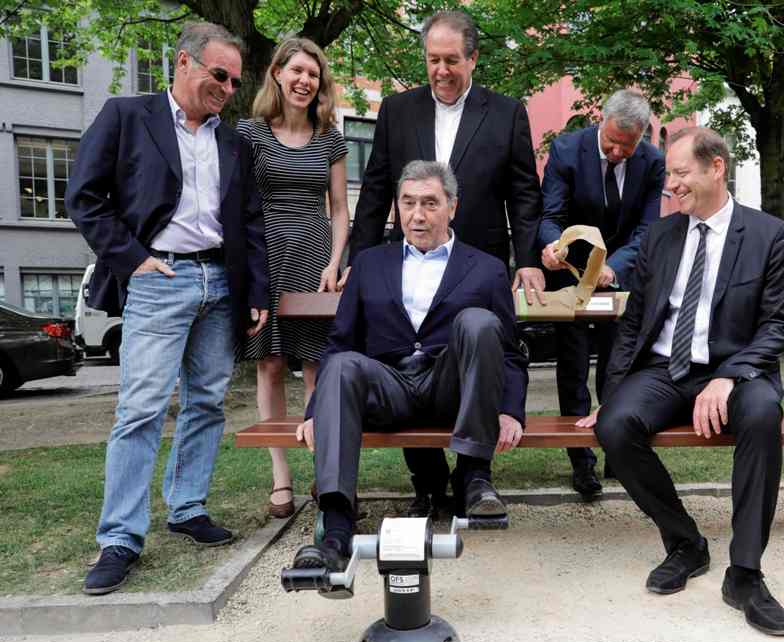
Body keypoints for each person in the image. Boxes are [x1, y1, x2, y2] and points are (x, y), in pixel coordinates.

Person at [67, 22, 269, 595]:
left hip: (221, 282)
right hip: (160, 277)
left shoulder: (235, 142)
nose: (228, 88)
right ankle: (120, 539)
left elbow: (249, 222)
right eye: (219, 75)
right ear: (184, 63)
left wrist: (255, 291)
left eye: (234, 80)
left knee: (207, 401)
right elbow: (84, 197)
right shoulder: (127, 116)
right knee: (141, 409)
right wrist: (133, 259)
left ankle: (187, 508)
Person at [579, 128, 784, 636]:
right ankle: (685, 543)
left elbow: (778, 325)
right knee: (613, 426)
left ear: (715, 167)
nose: (670, 186)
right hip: (664, 370)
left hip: (737, 370)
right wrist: (609, 396)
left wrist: (729, 375)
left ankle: (745, 573)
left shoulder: (769, 235)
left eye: (680, 173)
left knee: (764, 415)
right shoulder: (660, 235)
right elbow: (633, 324)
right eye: (669, 175)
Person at [345, 10, 544, 518]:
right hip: (407, 259)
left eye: (451, 60)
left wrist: (526, 260)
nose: (441, 70)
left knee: (477, 354)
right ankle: (430, 482)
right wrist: (358, 259)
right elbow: (375, 190)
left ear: (472, 58)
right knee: (407, 354)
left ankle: (476, 478)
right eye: (432, 60)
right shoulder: (396, 110)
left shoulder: (505, 112)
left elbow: (524, 194)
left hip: (478, 268)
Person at [291, 161, 527, 572]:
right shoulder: (368, 263)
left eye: (430, 203)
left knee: (478, 322)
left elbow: (508, 351)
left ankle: (473, 477)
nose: (418, 215)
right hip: (390, 388)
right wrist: (315, 412)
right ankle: (336, 527)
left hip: (449, 387)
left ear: (452, 207)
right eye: (409, 202)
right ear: (397, 207)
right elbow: (340, 342)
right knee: (345, 364)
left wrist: (510, 409)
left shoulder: (487, 268)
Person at [237, 37, 350, 518]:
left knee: (316, 366)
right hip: (265, 255)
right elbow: (238, 206)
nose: (305, 80)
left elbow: (342, 208)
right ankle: (280, 477)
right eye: (297, 70)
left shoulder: (330, 137)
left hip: (315, 256)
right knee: (270, 365)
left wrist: (336, 261)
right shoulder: (249, 133)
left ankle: (325, 474)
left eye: (314, 73)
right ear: (278, 74)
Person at [537, 89, 665, 499]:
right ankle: (581, 464)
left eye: (627, 147)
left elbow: (647, 230)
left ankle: (618, 450)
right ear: (601, 121)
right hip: (570, 278)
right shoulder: (566, 150)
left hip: (621, 278)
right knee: (573, 368)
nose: (616, 152)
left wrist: (615, 266)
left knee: (619, 367)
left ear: (642, 137)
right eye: (611, 143)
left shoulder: (653, 162)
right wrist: (555, 247)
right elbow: (551, 214)